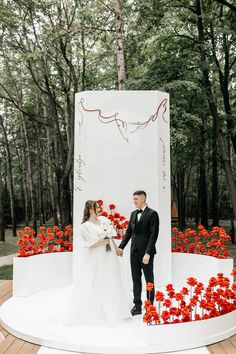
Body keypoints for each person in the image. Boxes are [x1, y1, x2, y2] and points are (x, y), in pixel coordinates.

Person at [62, 200, 133, 327]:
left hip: (109, 254)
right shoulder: (86, 226)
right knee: (96, 280)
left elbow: (110, 236)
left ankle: (116, 308)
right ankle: (98, 311)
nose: (100, 209)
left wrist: (117, 248)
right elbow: (86, 244)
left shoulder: (104, 220)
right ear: (90, 210)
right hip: (96, 256)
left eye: (100, 207)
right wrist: (100, 242)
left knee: (112, 279)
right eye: (97, 207)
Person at [116, 190, 159, 316]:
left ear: (143, 199)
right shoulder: (133, 214)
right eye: (133, 198)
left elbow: (153, 235)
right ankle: (137, 306)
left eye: (136, 199)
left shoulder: (152, 214)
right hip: (134, 252)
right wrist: (121, 247)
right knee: (136, 280)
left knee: (149, 280)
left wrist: (148, 253)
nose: (134, 201)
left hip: (146, 253)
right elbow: (129, 232)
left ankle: (150, 307)